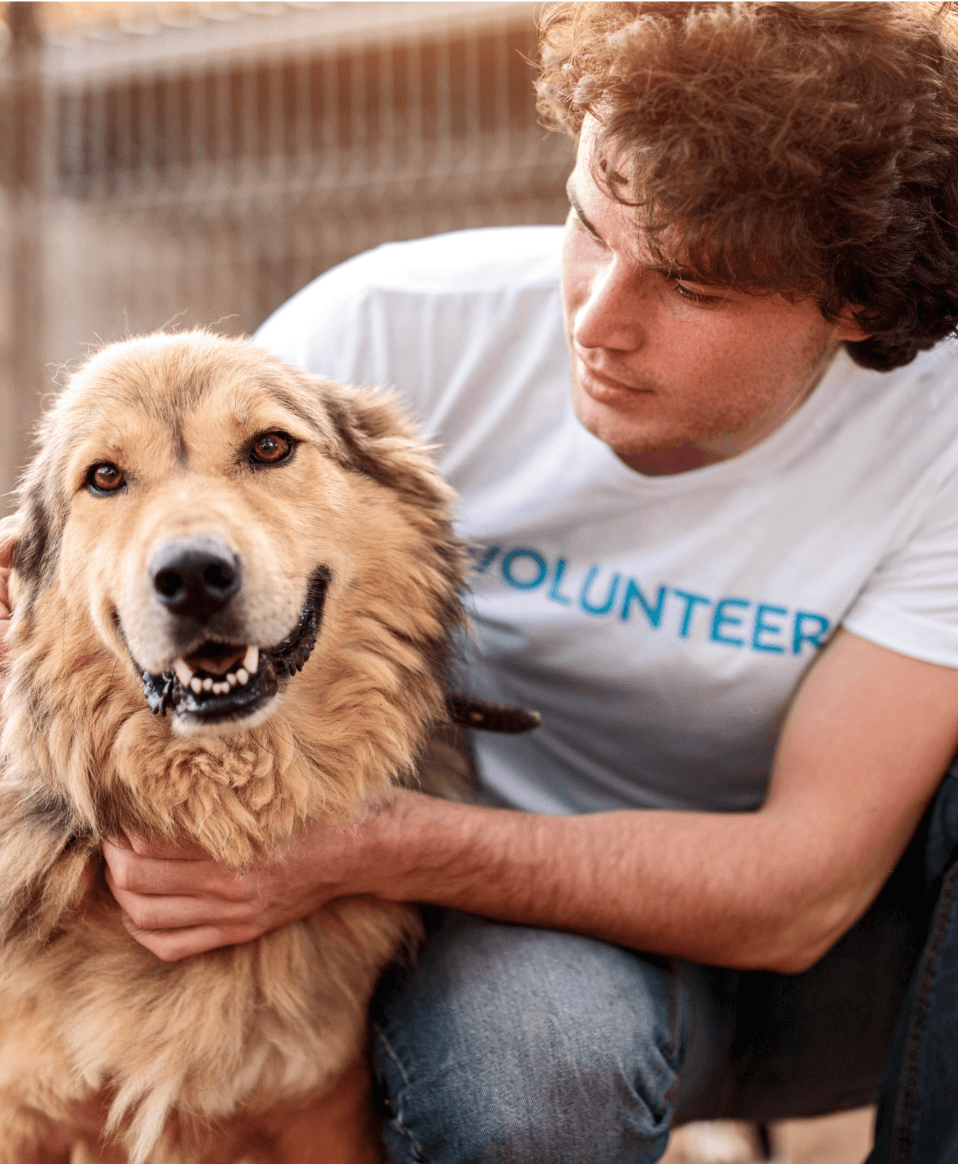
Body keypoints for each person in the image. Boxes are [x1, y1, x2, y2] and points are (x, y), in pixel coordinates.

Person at [4, 2, 958, 1160]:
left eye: (694, 287)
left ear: (852, 309)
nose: (596, 320)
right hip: (512, 940)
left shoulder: (938, 438)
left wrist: (370, 845)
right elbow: (173, 516)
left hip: (840, 969)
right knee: (531, 1066)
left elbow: (798, 889)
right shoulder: (395, 326)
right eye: (590, 225)